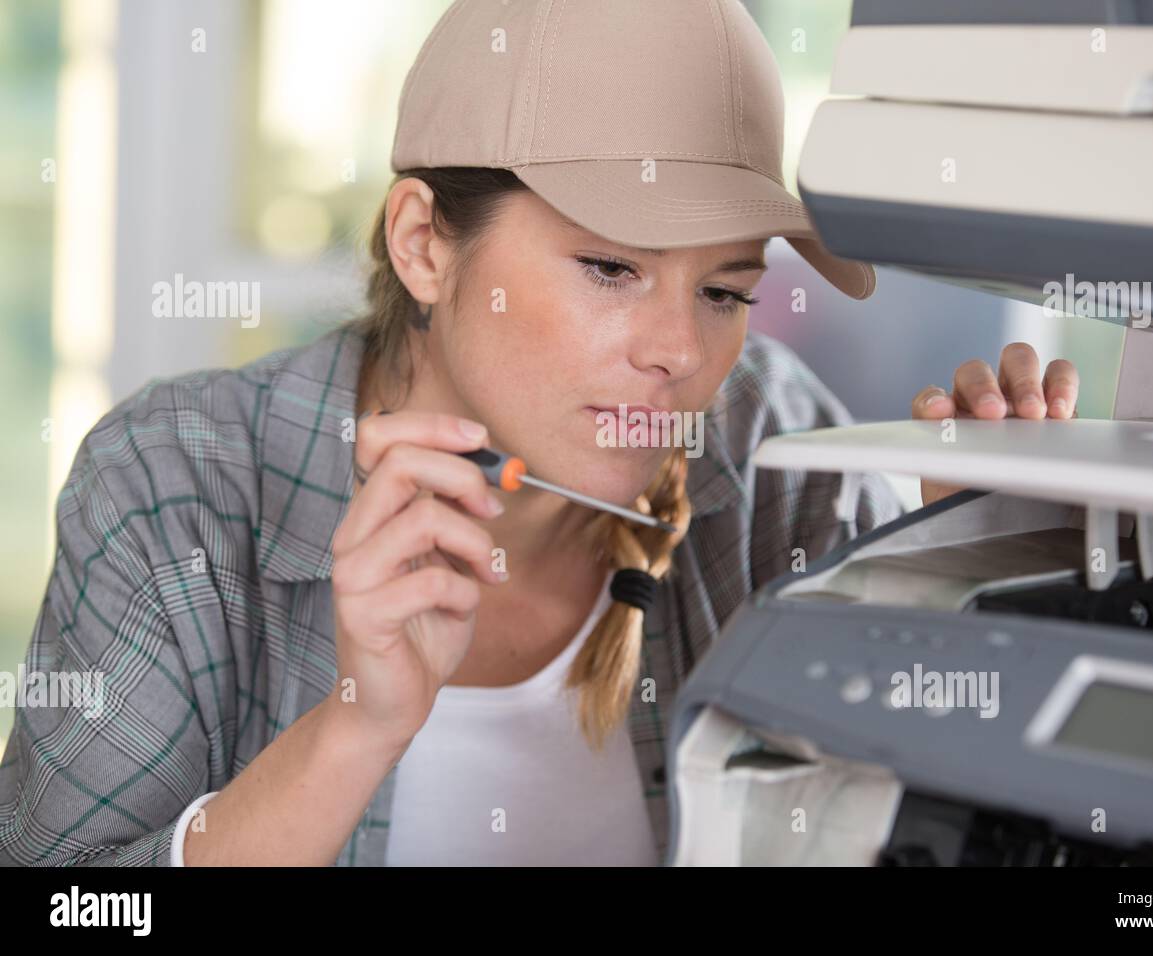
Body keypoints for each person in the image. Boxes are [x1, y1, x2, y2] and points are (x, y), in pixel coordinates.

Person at [0, 0, 1079, 866]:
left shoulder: (775, 448)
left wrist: (985, 588)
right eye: (612, 268)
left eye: (722, 289)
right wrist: (352, 732)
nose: (678, 352)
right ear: (424, 242)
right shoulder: (170, 483)